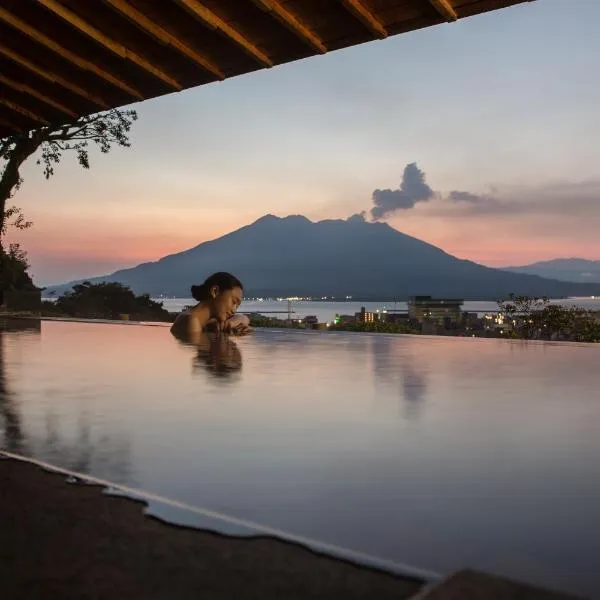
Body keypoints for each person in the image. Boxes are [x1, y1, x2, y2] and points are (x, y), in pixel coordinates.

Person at [170, 272, 250, 343]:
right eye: (233, 302)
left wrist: (231, 323)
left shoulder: (200, 319)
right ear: (215, 291)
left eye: (237, 306)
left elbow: (244, 318)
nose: (234, 310)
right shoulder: (192, 321)